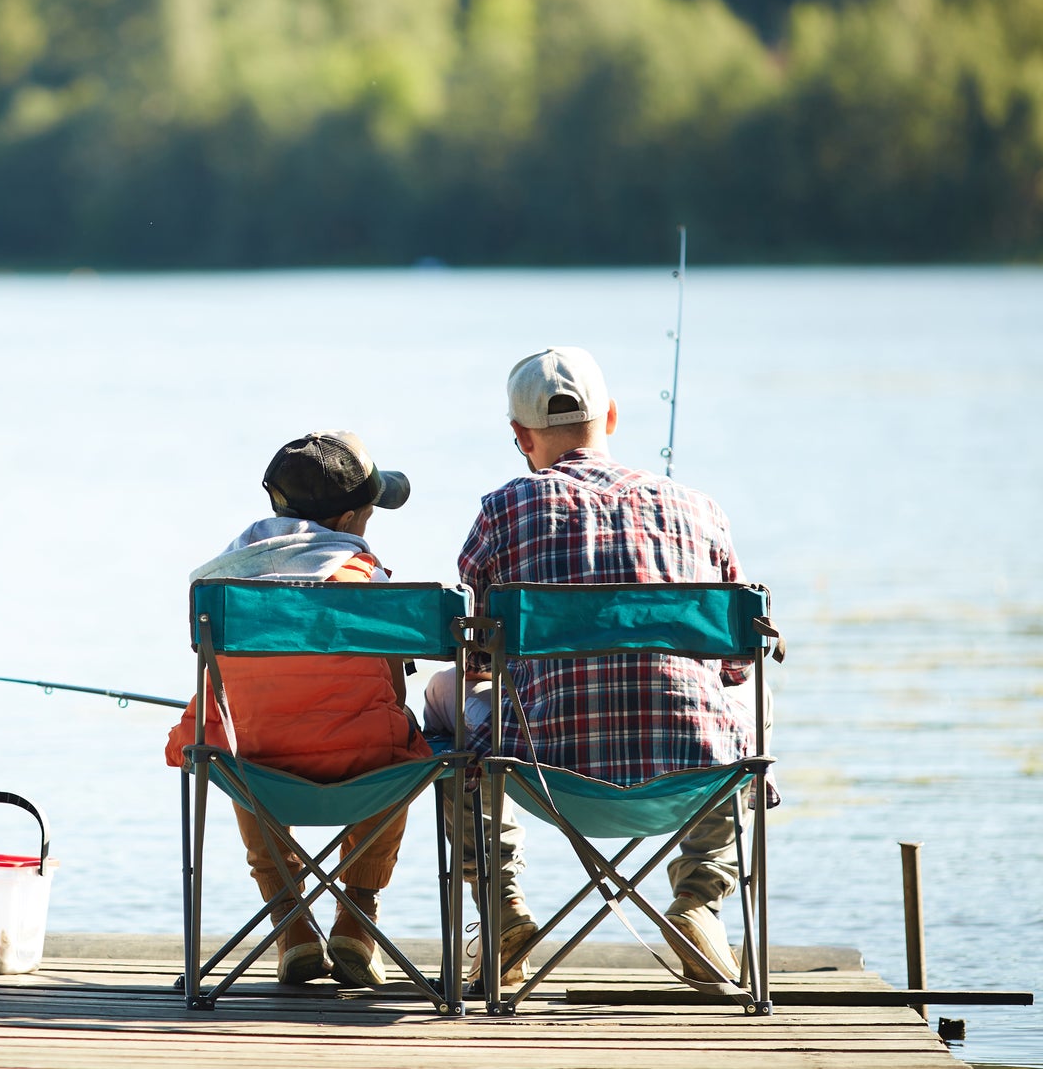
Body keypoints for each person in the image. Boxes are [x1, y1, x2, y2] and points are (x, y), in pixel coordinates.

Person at [443, 346, 764, 987]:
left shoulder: (502, 511)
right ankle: (699, 902)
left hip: (545, 771)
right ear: (611, 416)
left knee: (443, 695)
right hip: (692, 777)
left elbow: (478, 651)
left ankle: (500, 903)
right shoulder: (700, 509)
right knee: (740, 710)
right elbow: (735, 662)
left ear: (519, 436)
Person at [165, 430, 432, 988]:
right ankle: (357, 916)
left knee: (234, 741)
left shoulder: (224, 585)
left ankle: (291, 925)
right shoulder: (368, 583)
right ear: (353, 519)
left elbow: (221, 681)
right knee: (404, 745)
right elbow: (393, 692)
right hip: (364, 776)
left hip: (261, 775)